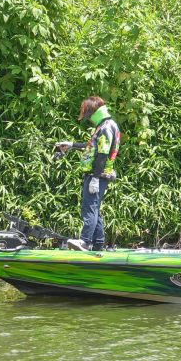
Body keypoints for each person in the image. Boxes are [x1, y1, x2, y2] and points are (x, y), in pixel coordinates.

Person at [56, 96, 121, 251]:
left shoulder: (105, 127)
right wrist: (71, 145)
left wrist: (95, 178)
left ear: (93, 112)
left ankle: (85, 242)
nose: (88, 118)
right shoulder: (107, 124)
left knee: (89, 208)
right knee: (94, 208)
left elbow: (103, 154)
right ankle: (98, 243)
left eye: (87, 114)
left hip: (98, 175)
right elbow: (92, 147)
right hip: (100, 174)